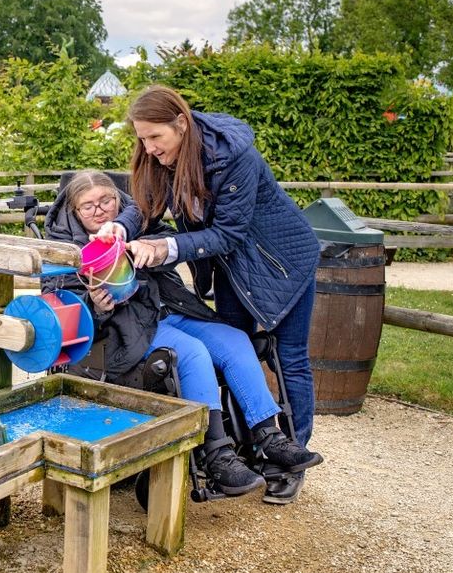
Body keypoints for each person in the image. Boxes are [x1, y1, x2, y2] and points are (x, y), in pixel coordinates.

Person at [99, 85, 322, 504]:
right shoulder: (164, 159)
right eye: (142, 139)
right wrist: (121, 227)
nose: (149, 149)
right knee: (235, 348)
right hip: (235, 269)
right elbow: (145, 206)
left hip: (282, 263)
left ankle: (288, 458)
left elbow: (228, 233)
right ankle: (244, 446)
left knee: (289, 357)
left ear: (181, 124)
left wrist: (166, 247)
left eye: (155, 137)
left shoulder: (235, 158)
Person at [43, 170, 322, 500]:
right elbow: (61, 312)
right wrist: (96, 306)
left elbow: (170, 242)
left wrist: (153, 250)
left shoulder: (134, 221)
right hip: (124, 330)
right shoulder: (63, 249)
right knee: (192, 353)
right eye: (88, 206)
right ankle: (216, 453)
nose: (100, 210)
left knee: (235, 340)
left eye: (107, 200)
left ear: (118, 198)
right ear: (74, 211)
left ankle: (268, 436)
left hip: (169, 308)